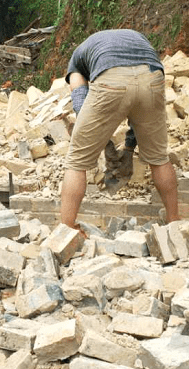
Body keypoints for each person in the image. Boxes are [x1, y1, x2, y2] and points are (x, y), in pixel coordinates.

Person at [61, 29, 180, 229]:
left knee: (76, 161)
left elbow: (80, 100)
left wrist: (100, 140)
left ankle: (65, 229)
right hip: (152, 76)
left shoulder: (77, 60)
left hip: (111, 78)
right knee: (159, 158)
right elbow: (137, 103)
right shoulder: (137, 37)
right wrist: (129, 147)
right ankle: (174, 221)